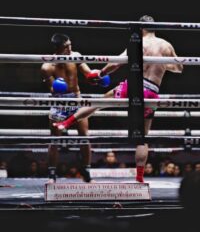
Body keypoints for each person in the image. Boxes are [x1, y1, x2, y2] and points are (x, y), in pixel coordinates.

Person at [53, 15, 183, 183]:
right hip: (152, 92)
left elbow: (116, 64)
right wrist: (163, 63)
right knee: (142, 138)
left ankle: (66, 122)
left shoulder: (137, 42)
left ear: (140, 28)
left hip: (134, 86)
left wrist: (100, 73)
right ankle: (139, 178)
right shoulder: (166, 45)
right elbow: (179, 68)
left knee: (98, 103)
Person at [41, 33, 102, 183]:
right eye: (66, 46)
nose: (70, 48)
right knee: (55, 139)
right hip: (59, 101)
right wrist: (57, 88)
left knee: (84, 136)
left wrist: (96, 78)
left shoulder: (76, 56)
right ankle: (52, 174)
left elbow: (88, 73)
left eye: (70, 44)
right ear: (58, 48)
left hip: (76, 98)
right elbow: (51, 89)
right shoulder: (47, 66)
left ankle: (87, 173)